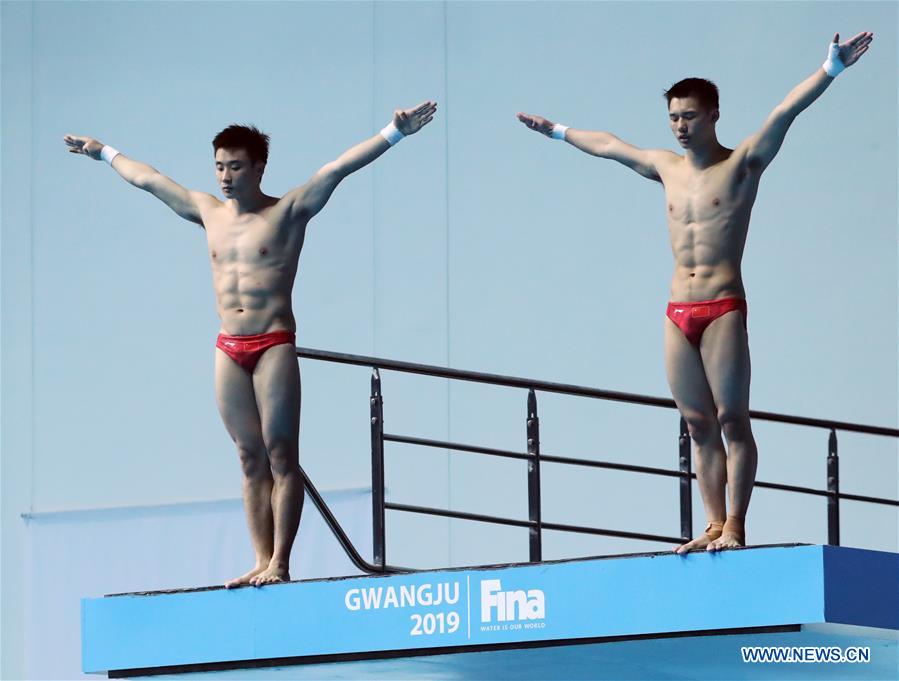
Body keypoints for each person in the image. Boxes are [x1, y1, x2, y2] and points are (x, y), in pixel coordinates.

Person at [517, 33, 872, 553]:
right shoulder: (666, 167)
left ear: (713, 116)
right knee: (697, 423)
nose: (680, 127)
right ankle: (711, 522)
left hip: (723, 305)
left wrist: (830, 69)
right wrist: (558, 132)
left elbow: (785, 111)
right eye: (673, 118)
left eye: (689, 116)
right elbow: (612, 146)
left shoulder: (743, 163)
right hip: (676, 311)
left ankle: (735, 525)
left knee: (732, 419)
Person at [64, 100, 437, 585]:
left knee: (281, 452)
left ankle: (281, 562)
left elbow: (339, 168)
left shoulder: (288, 211)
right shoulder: (208, 212)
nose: (224, 176)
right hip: (229, 348)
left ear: (258, 167)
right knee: (248, 457)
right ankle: (260, 560)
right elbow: (148, 179)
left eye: (235, 166)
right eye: (219, 166)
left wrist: (395, 131)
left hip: (273, 344)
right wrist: (103, 152)